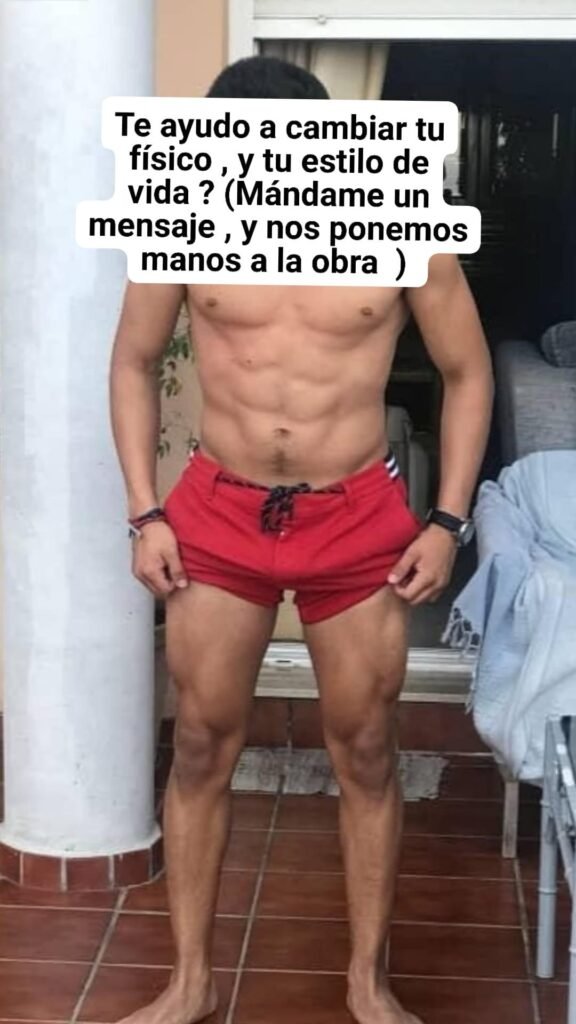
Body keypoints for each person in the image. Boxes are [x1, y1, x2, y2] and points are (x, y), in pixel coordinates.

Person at [110, 56, 493, 1024]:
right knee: (202, 741)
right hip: (218, 510)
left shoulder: (401, 227)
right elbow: (133, 360)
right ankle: (190, 981)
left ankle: (366, 981)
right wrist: (145, 511)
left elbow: (469, 372)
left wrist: (448, 521)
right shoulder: (183, 222)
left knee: (365, 747)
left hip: (356, 515)